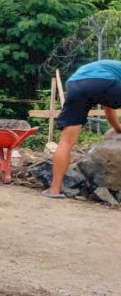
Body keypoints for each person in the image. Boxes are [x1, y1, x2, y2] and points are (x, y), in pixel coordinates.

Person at [46, 60, 121, 198]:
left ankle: (54, 190)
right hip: (104, 81)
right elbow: (109, 97)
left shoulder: (104, 68)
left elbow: (108, 107)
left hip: (74, 84)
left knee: (66, 141)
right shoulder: (113, 72)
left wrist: (117, 128)